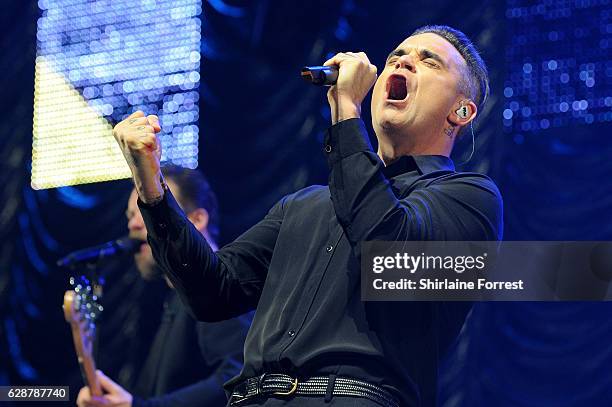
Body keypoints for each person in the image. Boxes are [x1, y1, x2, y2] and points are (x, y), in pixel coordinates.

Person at [112, 25, 503, 407]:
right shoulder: (305, 205)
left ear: (461, 111)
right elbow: (211, 292)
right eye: (395, 57)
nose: (403, 63)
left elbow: (386, 251)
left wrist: (346, 110)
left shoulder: (470, 198)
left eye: (428, 61)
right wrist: (151, 185)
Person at [77, 165, 251, 407]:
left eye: (146, 210)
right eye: (131, 216)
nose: (134, 225)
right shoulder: (177, 299)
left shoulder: (218, 288)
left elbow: (240, 375)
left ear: (197, 219)